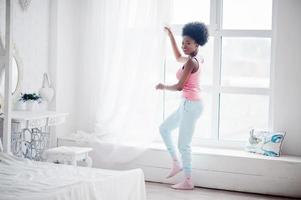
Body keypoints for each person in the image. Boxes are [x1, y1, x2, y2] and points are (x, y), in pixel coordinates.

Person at [155, 22, 208, 190]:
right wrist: (171, 36)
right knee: (164, 128)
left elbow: (179, 86)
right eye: (183, 42)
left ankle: (188, 180)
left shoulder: (192, 62)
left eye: (188, 43)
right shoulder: (197, 58)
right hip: (189, 104)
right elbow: (178, 57)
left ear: (197, 43)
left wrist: (163, 86)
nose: (184, 46)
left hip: (190, 105)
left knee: (183, 144)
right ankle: (176, 163)